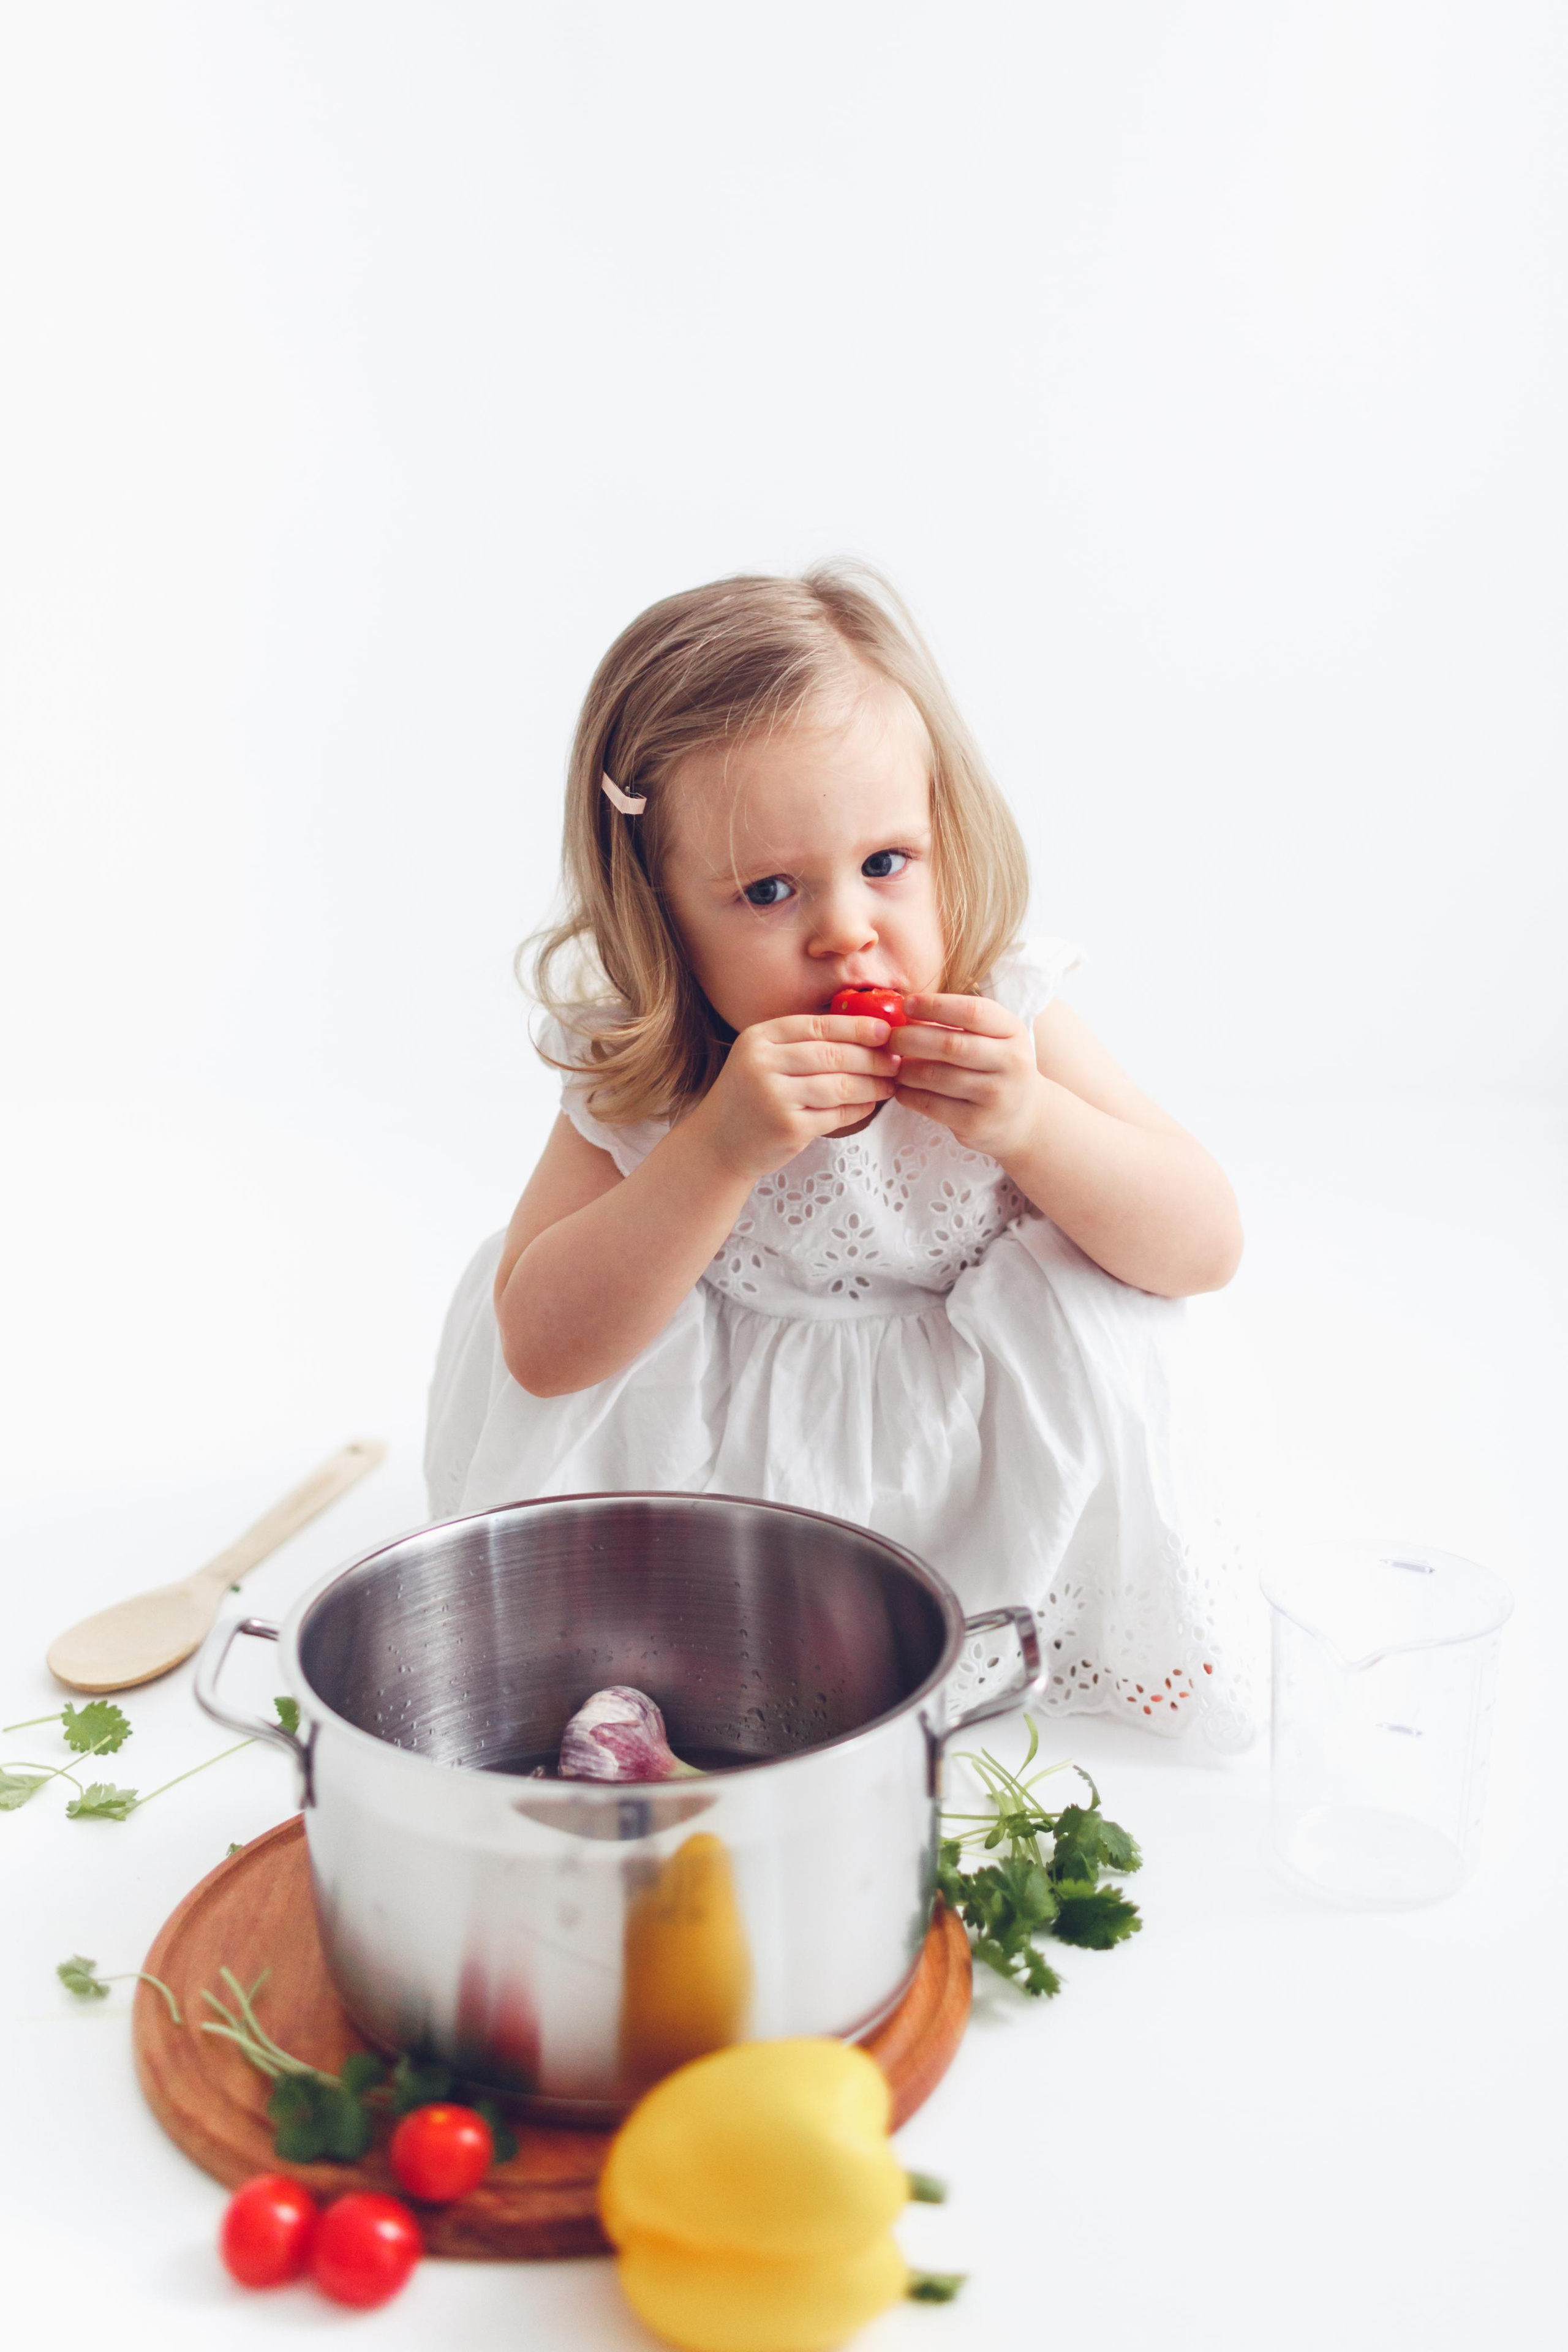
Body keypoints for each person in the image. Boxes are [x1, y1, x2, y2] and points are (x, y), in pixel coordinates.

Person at [426, 563, 1261, 1749]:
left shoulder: (999, 1009)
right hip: (727, 1506)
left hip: (975, 1455)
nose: (846, 931)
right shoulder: (654, 1070)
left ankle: (1069, 1638)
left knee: (1106, 1308)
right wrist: (709, 1156)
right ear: (658, 914)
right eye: (767, 891)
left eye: (885, 864)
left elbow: (1201, 1243)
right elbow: (543, 1350)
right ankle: (655, 1695)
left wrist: (1029, 1122)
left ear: (941, 835)